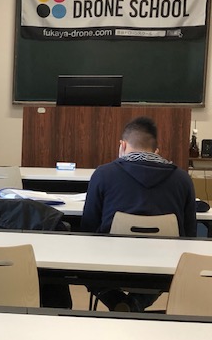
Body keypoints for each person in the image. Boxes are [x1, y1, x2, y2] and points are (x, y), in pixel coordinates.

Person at [81, 116, 197, 311]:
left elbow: (87, 229)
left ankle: (118, 303)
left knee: (83, 262)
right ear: (156, 150)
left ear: (123, 145)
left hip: (109, 266)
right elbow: (190, 236)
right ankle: (135, 304)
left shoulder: (104, 174)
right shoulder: (182, 179)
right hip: (163, 269)